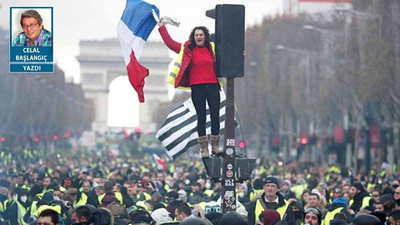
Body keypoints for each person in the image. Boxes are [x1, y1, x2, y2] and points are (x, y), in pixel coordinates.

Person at [158, 19, 223, 158]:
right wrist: (162, 27)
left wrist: (241, 54)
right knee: (201, 117)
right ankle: (204, 149)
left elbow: (228, 52)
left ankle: (215, 146)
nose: (198, 37)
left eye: (201, 34)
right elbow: (170, 43)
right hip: (197, 87)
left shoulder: (212, 47)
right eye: (196, 35)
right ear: (193, 37)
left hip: (212, 85)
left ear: (205, 36)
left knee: (215, 116)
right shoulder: (187, 49)